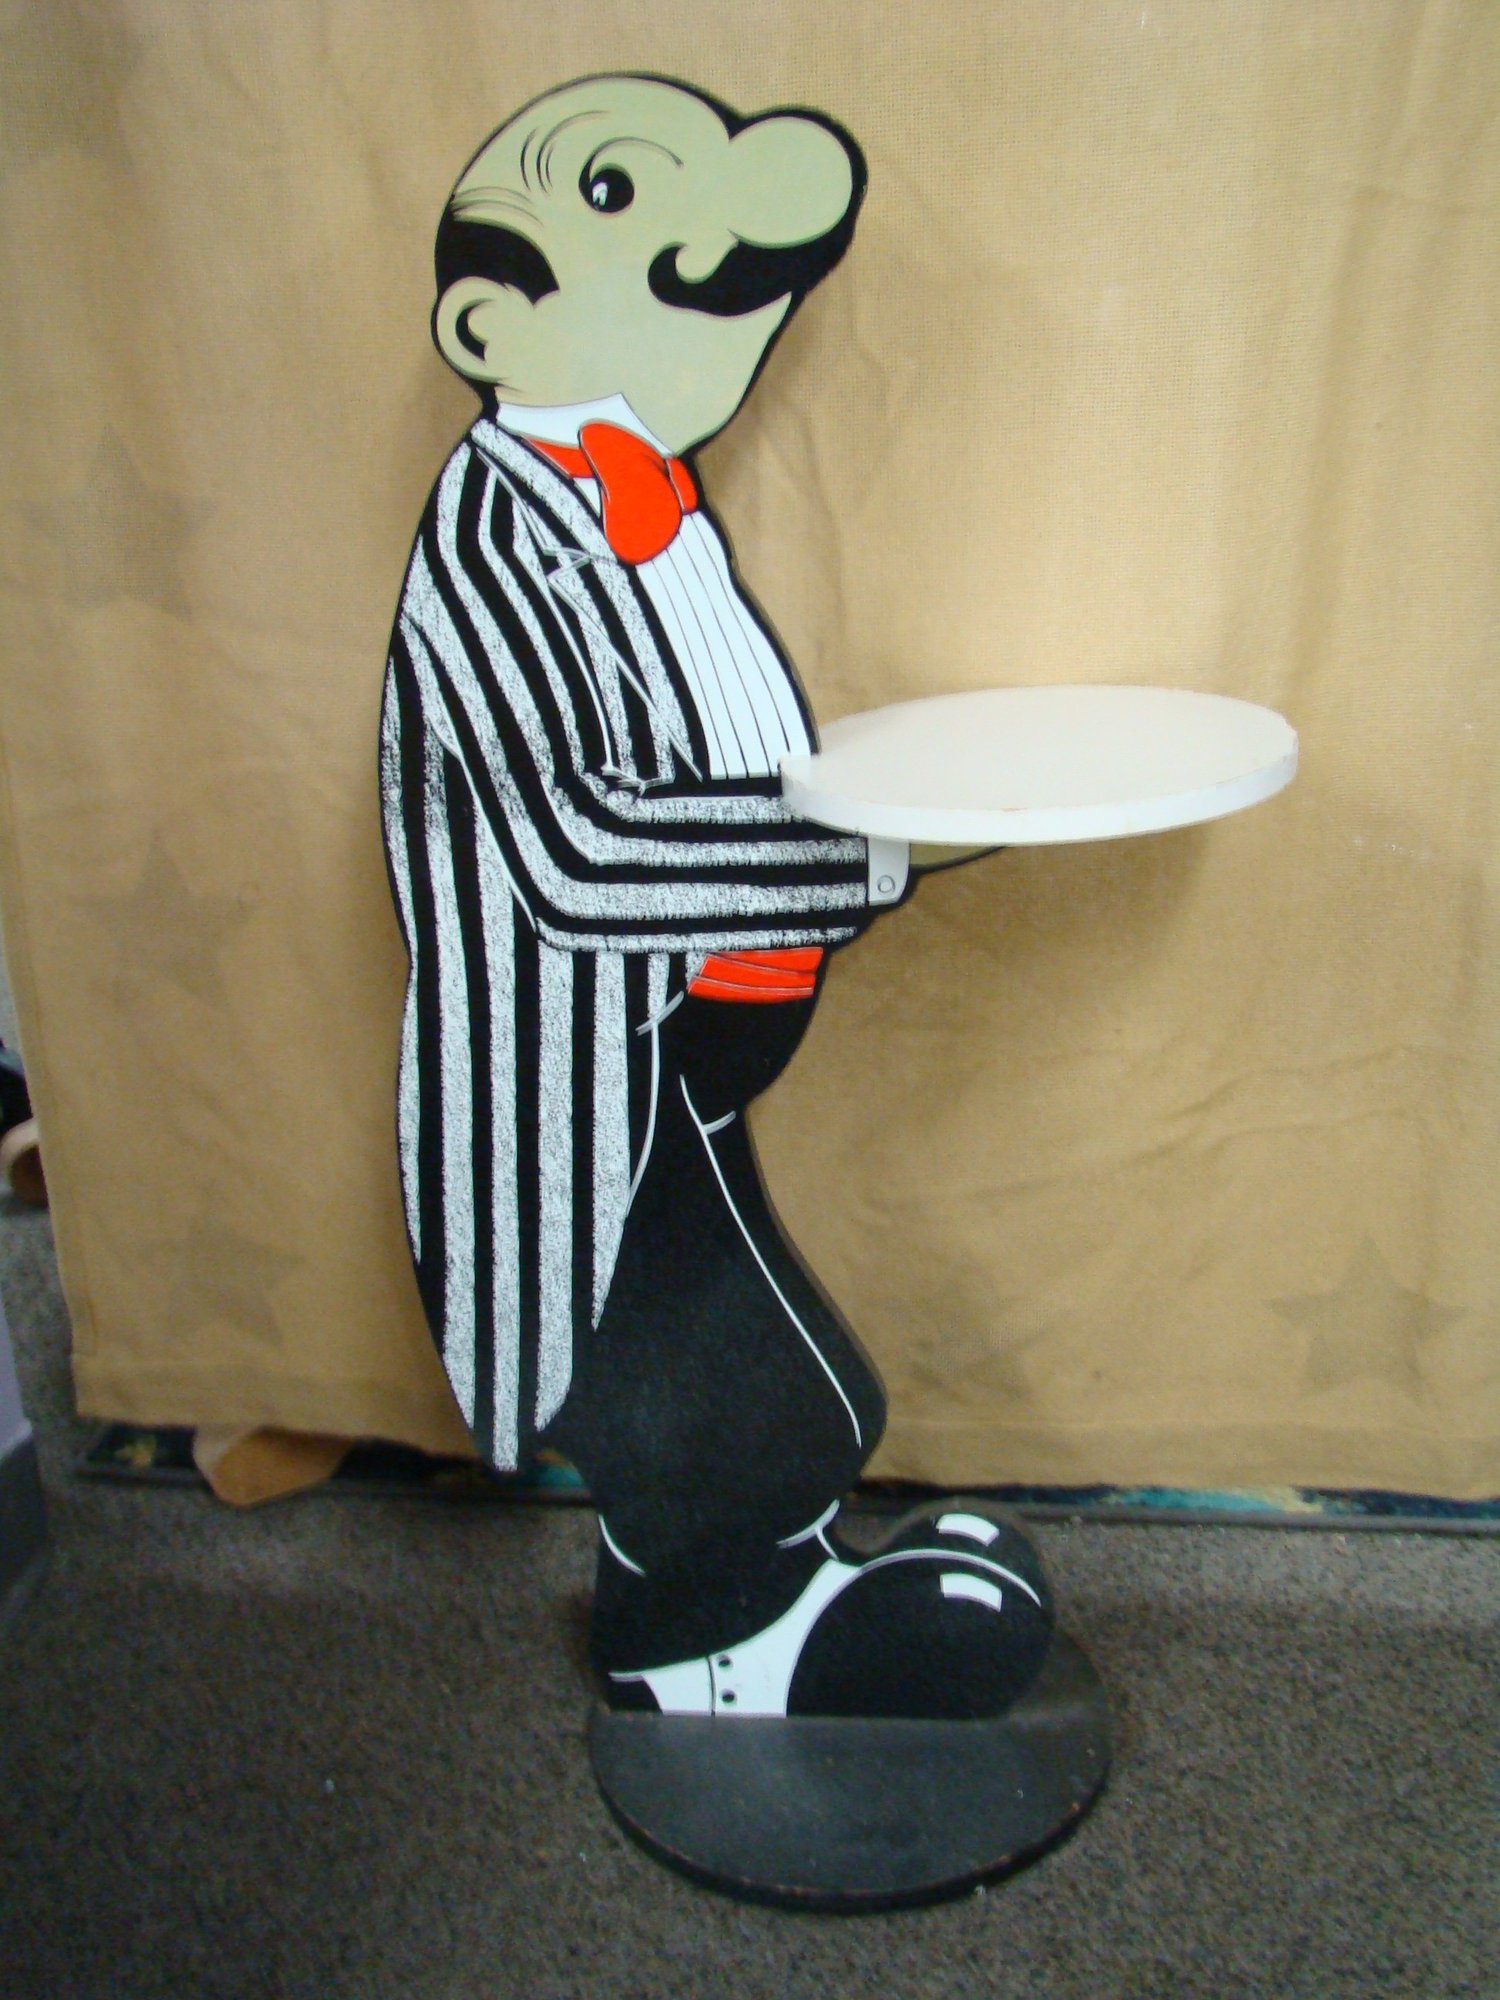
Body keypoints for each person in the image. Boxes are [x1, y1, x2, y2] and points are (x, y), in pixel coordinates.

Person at [381, 73, 1050, 1717]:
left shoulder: (636, 507)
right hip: (579, 1069)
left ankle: (771, 1587)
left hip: (686, 1043)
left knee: (745, 1352)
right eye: (622, 210)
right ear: (487, 325)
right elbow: (569, 845)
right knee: (733, 1378)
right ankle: (708, 1652)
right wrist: (877, 846)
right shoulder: (499, 535)